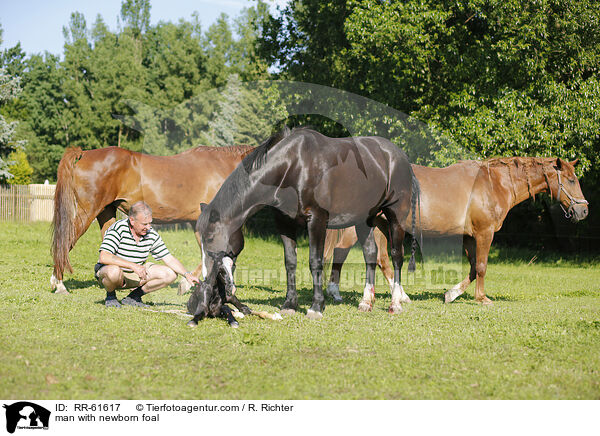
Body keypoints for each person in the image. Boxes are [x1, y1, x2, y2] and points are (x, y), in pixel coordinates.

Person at [95, 201, 199, 308]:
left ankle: (134, 297)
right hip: (112, 274)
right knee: (113, 271)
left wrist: (187, 274)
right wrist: (133, 265)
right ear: (132, 220)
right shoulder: (118, 229)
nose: (148, 227)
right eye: (144, 224)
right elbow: (104, 257)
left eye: (150, 223)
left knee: (170, 274)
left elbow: (168, 258)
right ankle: (111, 297)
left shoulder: (151, 234)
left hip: (136, 273)